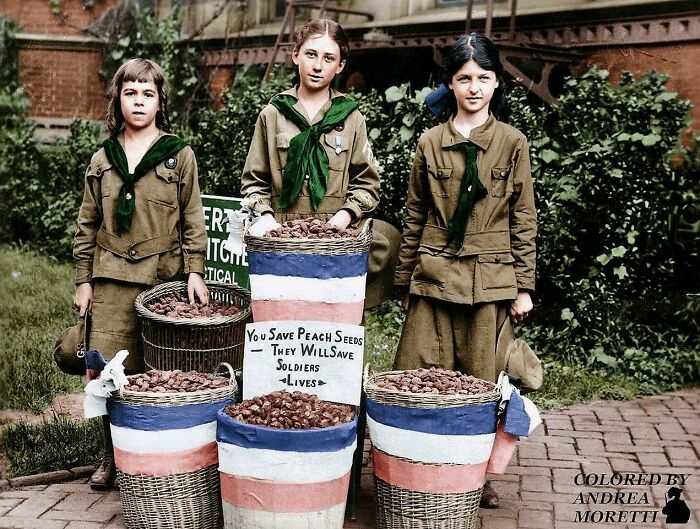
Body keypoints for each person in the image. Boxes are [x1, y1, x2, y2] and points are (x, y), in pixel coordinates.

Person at [393, 33, 537, 508]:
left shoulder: (512, 143)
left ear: (496, 84)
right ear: (449, 84)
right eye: (464, 78)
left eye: (484, 78)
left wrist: (524, 287)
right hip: (433, 276)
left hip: (490, 281)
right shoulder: (430, 143)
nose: (474, 87)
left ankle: (476, 475)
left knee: (482, 382)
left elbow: (523, 217)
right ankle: (411, 468)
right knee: (414, 377)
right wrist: (405, 281)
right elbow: (414, 215)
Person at [72, 58, 209, 489]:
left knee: (160, 370)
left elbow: (192, 219)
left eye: (148, 94)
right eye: (130, 93)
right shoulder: (102, 158)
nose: (139, 101)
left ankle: (158, 458)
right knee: (105, 371)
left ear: (159, 102)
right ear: (118, 99)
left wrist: (195, 271)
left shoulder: (178, 156)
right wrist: (83, 280)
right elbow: (87, 224)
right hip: (110, 278)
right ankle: (110, 456)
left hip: (162, 279)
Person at [240, 19, 398, 304]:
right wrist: (265, 218)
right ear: (295, 55)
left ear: (340, 66)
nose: (317, 65)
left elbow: (367, 184)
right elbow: (254, 182)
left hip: (335, 242)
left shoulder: (350, 118)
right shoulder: (273, 114)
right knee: (282, 325)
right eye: (311, 54)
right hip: (281, 239)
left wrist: (344, 217)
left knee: (330, 329)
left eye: (329, 58)